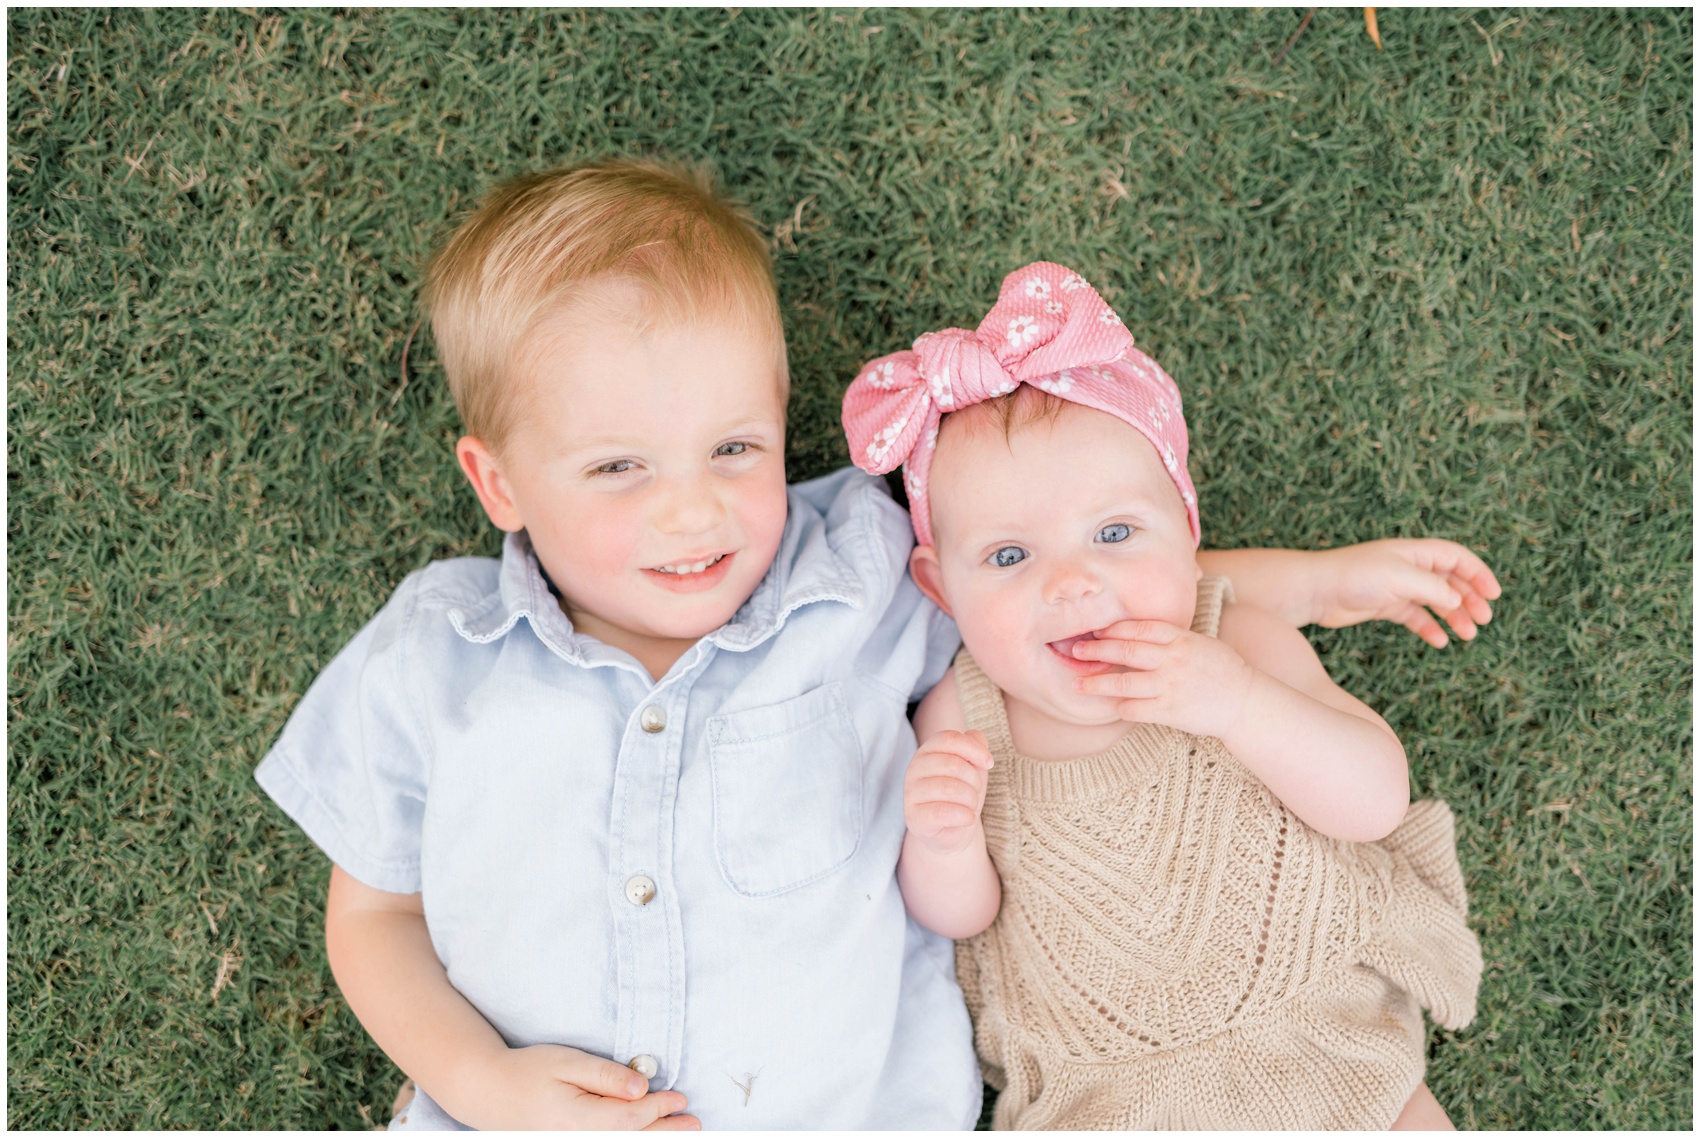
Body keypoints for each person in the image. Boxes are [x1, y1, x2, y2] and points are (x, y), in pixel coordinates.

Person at [257, 164, 1499, 1130]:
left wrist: (1318, 585)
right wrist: (487, 1082)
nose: (691, 511)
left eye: (733, 449)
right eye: (618, 467)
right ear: (499, 482)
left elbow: (1063, 582)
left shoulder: (855, 575)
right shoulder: (434, 656)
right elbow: (373, 919)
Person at [844, 261, 1491, 1130]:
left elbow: (1374, 800)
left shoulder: (1234, 644)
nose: (1072, 585)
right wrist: (943, 840)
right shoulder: (962, 719)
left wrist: (1243, 706)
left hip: (1310, 1024)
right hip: (1108, 1085)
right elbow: (964, 919)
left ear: (1187, 532)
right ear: (938, 586)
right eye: (1008, 557)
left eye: (1115, 534)